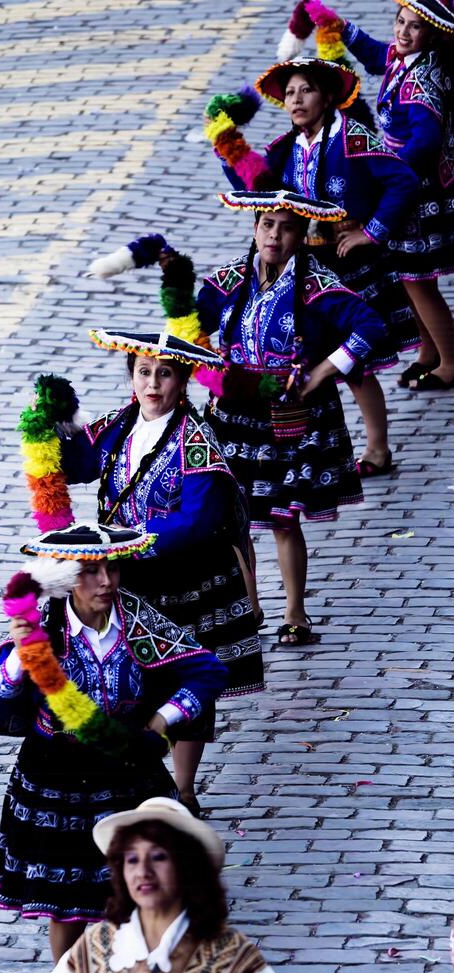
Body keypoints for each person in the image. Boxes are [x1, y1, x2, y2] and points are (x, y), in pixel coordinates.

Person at [0, 522, 228, 964]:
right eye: (91, 572)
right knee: (66, 906)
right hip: (56, 775)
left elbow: (208, 670)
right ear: (64, 577)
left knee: (140, 896)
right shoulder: (43, 630)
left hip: (126, 770)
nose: (106, 582)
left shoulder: (136, 620)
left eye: (112, 569)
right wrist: (22, 655)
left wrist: (159, 722)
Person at [57, 331, 264, 814]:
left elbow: (199, 519)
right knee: (131, 677)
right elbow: (77, 466)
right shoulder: (114, 427)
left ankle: (185, 787)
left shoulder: (199, 440)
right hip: (127, 580)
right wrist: (53, 426)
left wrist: (132, 543)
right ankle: (138, 775)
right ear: (131, 377)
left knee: (185, 677)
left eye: (164, 374)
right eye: (144, 372)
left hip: (186, 580)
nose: (153, 384)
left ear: (183, 379)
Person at [183, 189, 387, 643]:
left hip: (289, 416)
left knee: (282, 518)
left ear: (302, 233)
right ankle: (250, 605)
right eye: (266, 225)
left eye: (287, 226)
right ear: (254, 228)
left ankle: (295, 611)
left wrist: (320, 373)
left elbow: (370, 325)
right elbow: (189, 324)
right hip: (233, 416)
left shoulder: (315, 284)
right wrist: (211, 365)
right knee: (231, 516)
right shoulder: (230, 279)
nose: (274, 235)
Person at [212, 57, 420, 475]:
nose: (296, 99)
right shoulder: (284, 149)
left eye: (305, 90)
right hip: (303, 270)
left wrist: (372, 231)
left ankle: (377, 448)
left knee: (355, 362)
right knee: (307, 360)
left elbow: (403, 180)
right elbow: (254, 190)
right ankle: (303, 451)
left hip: (348, 268)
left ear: (327, 96)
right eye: (289, 92)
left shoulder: (351, 138)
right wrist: (228, 147)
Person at [305, 0, 454, 390]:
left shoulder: (424, 81)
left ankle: (451, 363)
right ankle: (428, 350)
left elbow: (426, 139)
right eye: (400, 22)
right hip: (404, 183)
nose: (403, 32)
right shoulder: (405, 59)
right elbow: (374, 54)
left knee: (418, 278)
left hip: (417, 191)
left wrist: (390, 167)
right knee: (408, 276)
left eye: (415, 27)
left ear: (433, 33)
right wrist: (334, 22)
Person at [47, 796, 279, 973]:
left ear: (186, 867)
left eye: (158, 857)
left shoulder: (228, 952)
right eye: (132, 860)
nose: (143, 872)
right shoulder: (98, 945)